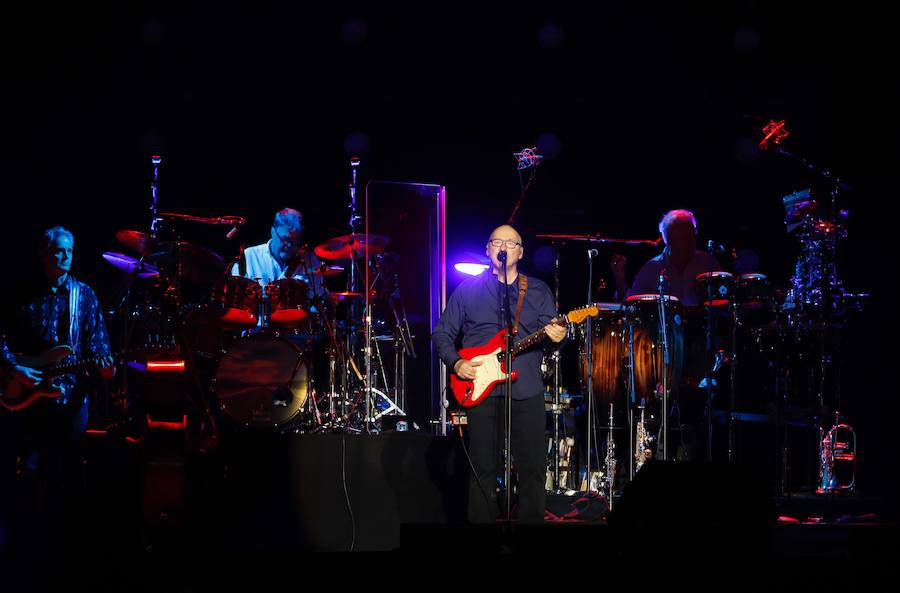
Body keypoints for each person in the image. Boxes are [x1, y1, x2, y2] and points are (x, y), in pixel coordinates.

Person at [432, 225, 566, 523]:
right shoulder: (467, 290)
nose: (503, 246)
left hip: (527, 387)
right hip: (482, 389)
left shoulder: (539, 290)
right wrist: (456, 364)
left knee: (532, 468)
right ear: (488, 249)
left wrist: (560, 336)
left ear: (521, 251)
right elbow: (442, 334)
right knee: (483, 469)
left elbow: (553, 336)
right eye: (496, 242)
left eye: (511, 242)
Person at [0, 226, 113, 542]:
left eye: (69, 251)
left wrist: (105, 366)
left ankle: (60, 537)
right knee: (27, 467)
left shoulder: (84, 295)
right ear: (42, 254)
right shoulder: (21, 292)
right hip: (24, 392)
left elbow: (99, 346)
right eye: (58, 251)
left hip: (69, 397)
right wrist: (16, 368)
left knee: (66, 467)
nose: (64, 257)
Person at [612, 209, 721, 305]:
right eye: (684, 235)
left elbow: (725, 305)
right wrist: (620, 281)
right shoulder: (652, 268)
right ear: (668, 239)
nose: (691, 239)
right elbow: (631, 304)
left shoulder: (708, 263)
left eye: (693, 233)